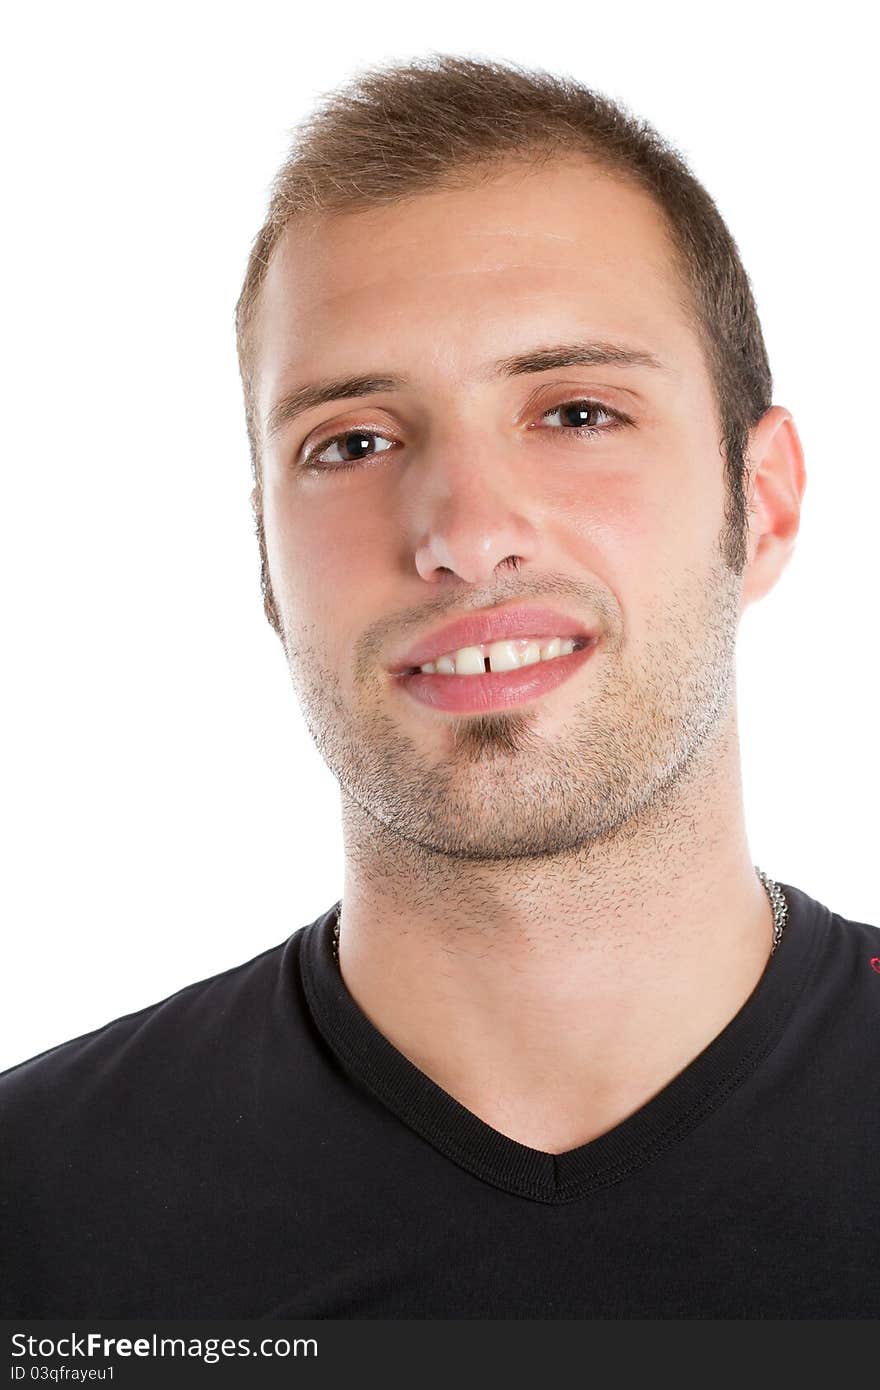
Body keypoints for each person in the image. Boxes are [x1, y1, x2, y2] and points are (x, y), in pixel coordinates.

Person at [2, 52, 878, 1321]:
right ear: (265, 561)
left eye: (575, 412)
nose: (464, 533)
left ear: (767, 500)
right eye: (351, 442)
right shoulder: (39, 1217)